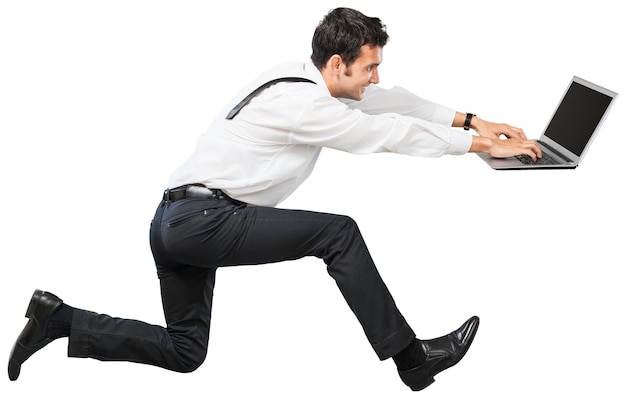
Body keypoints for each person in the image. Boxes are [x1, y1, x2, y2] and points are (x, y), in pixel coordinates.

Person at [8, 7, 541, 391]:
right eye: (369, 66)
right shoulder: (305, 106)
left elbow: (386, 102)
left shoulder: (297, 79)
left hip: (173, 220)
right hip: (202, 219)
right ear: (337, 64)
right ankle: (412, 359)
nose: (376, 77)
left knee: (185, 352)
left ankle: (61, 321)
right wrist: (474, 146)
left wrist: (473, 120)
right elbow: (386, 133)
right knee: (338, 233)